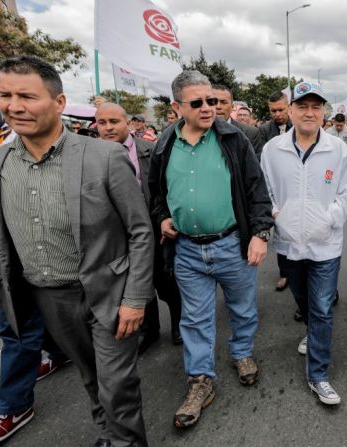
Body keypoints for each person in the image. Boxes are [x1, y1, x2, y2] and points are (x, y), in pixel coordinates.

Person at [0, 55, 155, 447]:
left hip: (108, 294)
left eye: (27, 96)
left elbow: (140, 231)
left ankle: (126, 442)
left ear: (59, 102)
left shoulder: (104, 157)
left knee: (118, 386)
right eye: (5, 95)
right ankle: (109, 436)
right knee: (90, 377)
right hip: (48, 299)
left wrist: (135, 298)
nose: (14, 106)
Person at [149, 70, 273, 428]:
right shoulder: (164, 143)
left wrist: (260, 234)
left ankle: (242, 352)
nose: (209, 108)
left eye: (214, 101)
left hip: (232, 245)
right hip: (187, 251)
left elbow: (256, 190)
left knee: (243, 308)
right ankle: (200, 381)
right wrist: (161, 218)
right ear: (176, 107)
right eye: (198, 102)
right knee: (195, 319)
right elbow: (156, 194)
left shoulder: (233, 139)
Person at [261, 81, 347, 406]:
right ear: (290, 110)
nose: (309, 112)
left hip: (325, 246)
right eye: (302, 106)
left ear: (324, 112)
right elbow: (266, 189)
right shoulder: (273, 149)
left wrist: (331, 217)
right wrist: (277, 214)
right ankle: (313, 330)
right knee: (303, 299)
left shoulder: (339, 150)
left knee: (322, 307)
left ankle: (318, 374)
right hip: (288, 243)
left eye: (316, 107)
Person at [95, 102, 183, 351]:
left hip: (154, 231)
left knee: (166, 282)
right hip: (118, 236)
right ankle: (149, 329)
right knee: (136, 286)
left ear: (128, 123)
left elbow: (166, 189)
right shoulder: (92, 156)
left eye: (114, 122)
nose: (109, 128)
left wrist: (164, 219)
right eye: (102, 123)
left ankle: (179, 323)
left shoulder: (151, 150)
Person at [257, 90, 293, 293]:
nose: (278, 114)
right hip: (276, 188)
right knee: (280, 231)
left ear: (288, 106)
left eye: (281, 109)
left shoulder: (298, 126)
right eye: (273, 111)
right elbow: (262, 161)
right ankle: (285, 272)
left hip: (296, 184)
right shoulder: (264, 131)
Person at [212, 84, 262, 152]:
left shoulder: (250, 133)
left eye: (223, 102)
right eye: (213, 102)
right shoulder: (196, 131)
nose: (218, 106)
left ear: (232, 107)